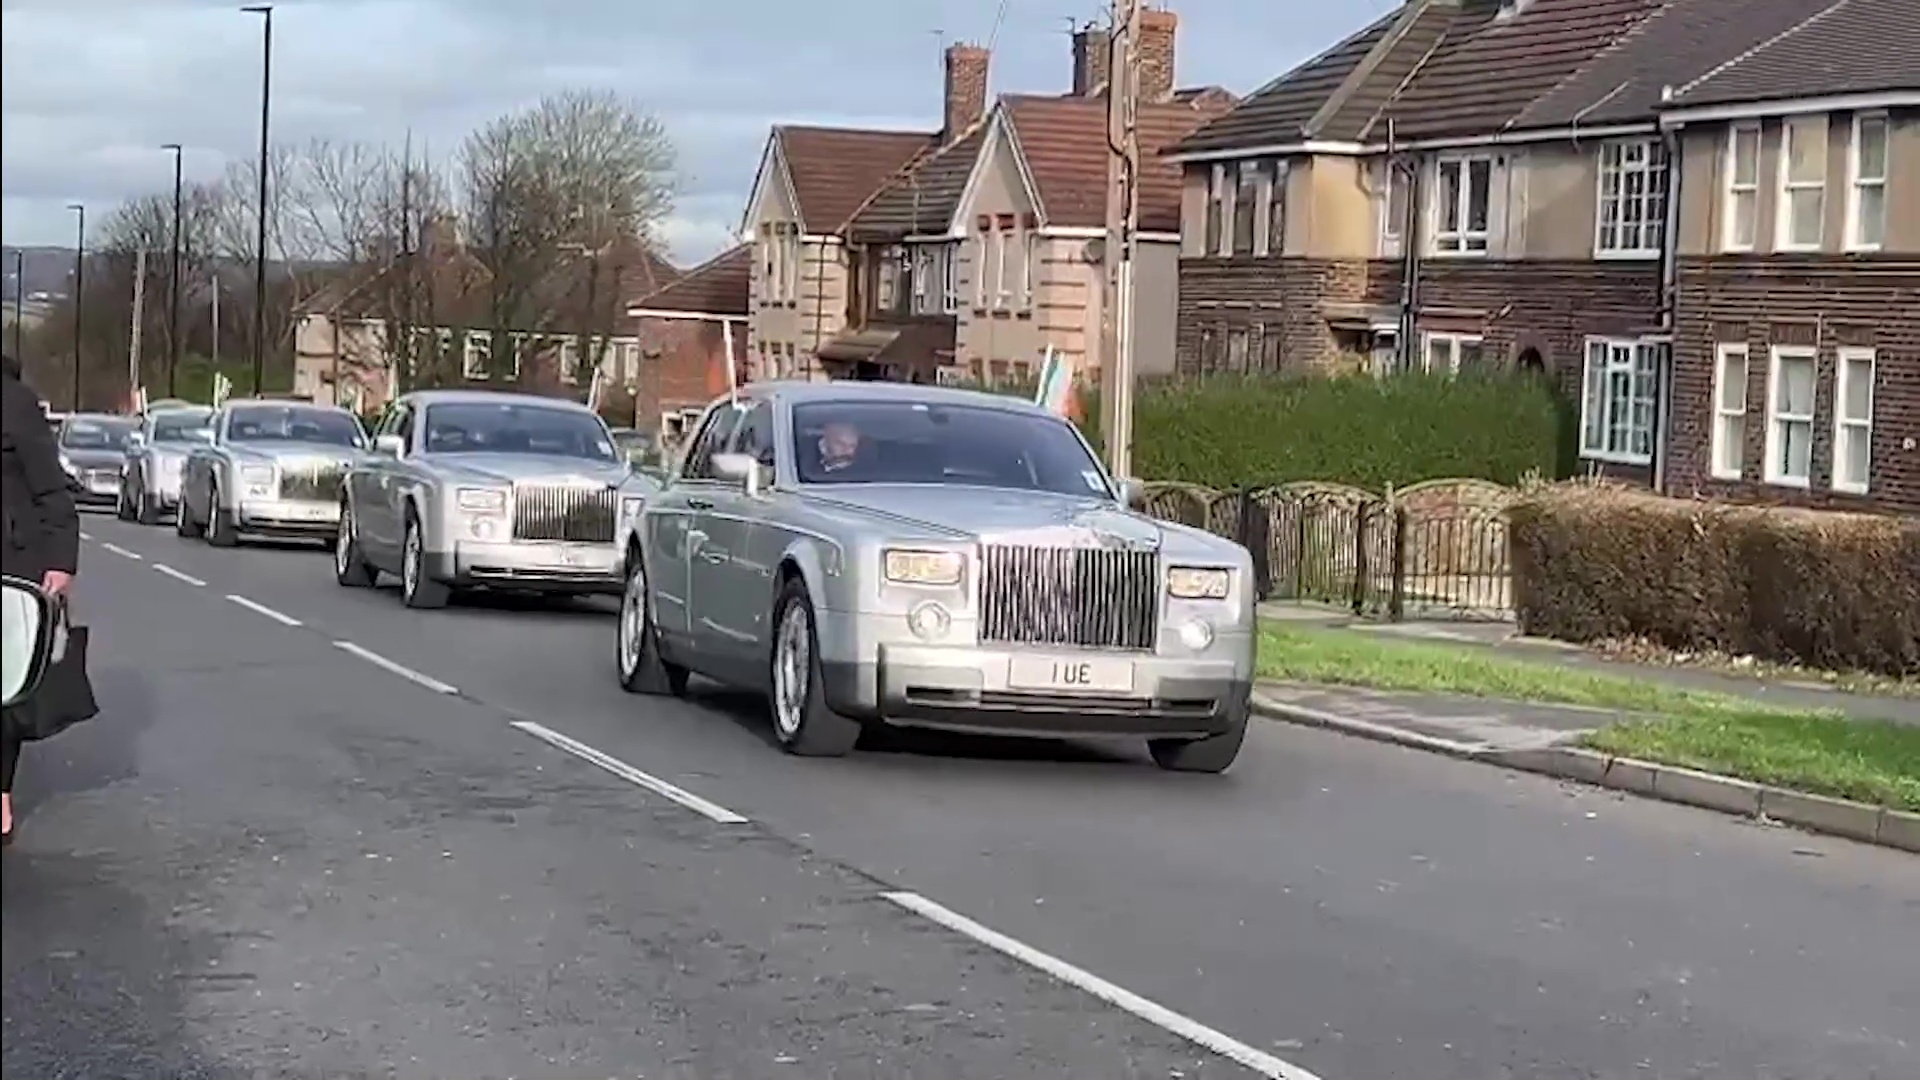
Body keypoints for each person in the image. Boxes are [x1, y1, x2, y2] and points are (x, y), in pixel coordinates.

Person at [2, 352, 90, 846]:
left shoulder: (15, 403)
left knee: (2, 687)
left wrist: (60, 562)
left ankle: (0, 796)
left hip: (8, 564)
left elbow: (52, 493)